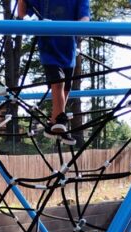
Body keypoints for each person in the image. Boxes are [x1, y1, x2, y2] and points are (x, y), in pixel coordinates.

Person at [17, 0, 90, 145]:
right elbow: (22, 13)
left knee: (66, 87)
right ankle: (61, 119)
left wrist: (81, 26)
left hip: (68, 48)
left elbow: (85, 17)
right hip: (49, 46)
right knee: (58, 82)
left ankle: (54, 123)